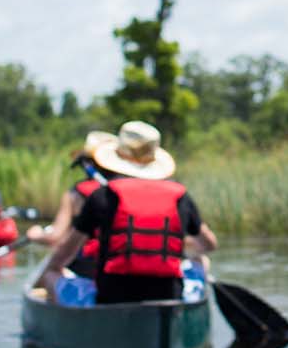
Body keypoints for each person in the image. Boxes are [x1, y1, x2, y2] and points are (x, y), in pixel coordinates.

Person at [36, 121, 219, 304]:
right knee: (200, 261)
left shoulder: (102, 196)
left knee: (52, 274)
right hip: (168, 296)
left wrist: (51, 270)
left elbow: (64, 254)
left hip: (110, 299)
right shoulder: (181, 197)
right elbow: (209, 245)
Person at [29, 131, 117, 278]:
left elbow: (55, 237)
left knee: (49, 274)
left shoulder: (75, 194)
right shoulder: (125, 193)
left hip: (83, 269)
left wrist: (35, 235)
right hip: (117, 270)